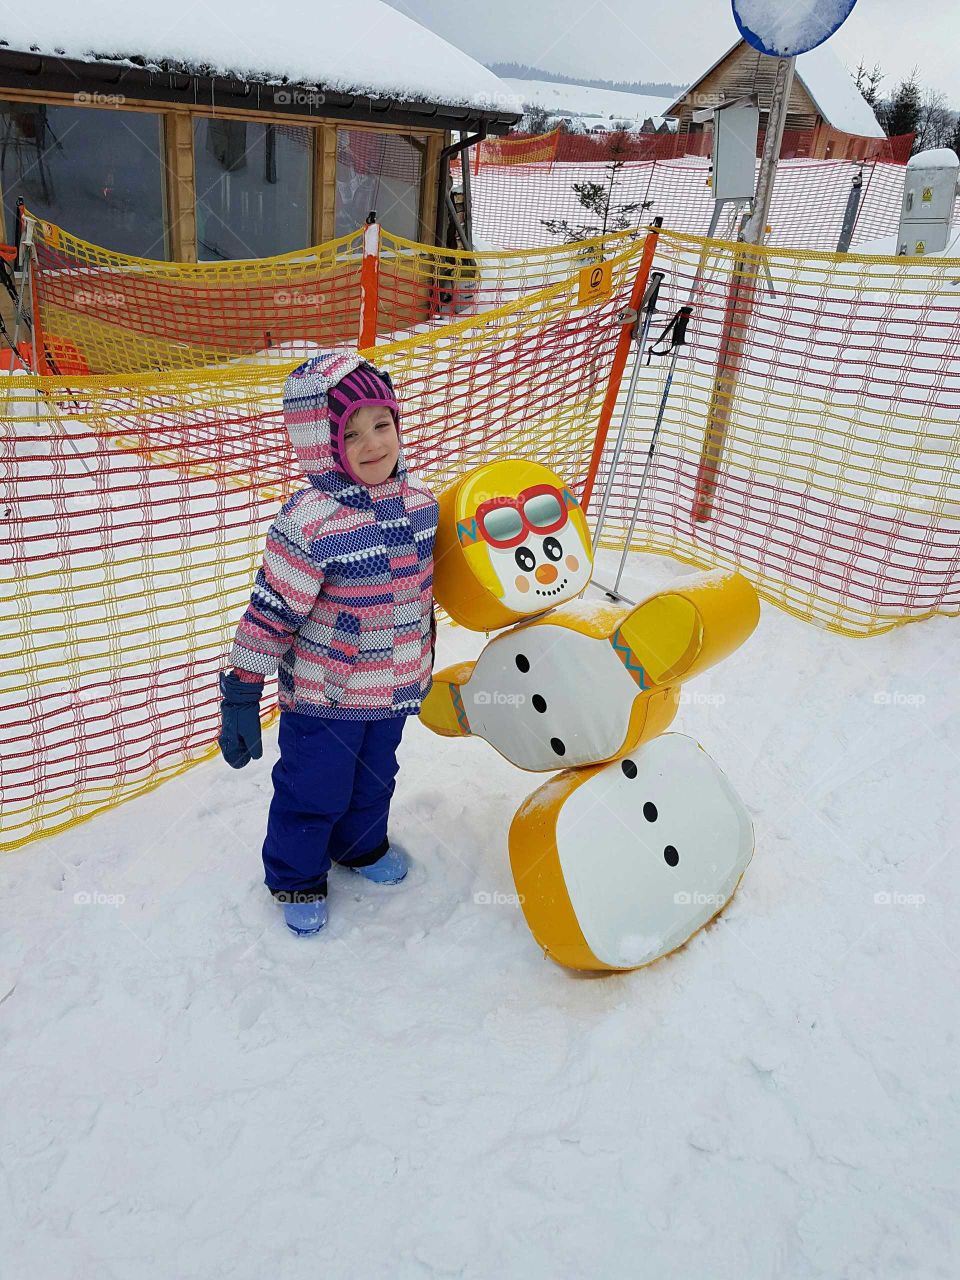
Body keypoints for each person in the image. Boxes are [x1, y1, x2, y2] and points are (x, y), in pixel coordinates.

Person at [218, 350, 438, 936]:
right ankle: (296, 876)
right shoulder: (310, 523)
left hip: (393, 687)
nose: (374, 444)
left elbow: (441, 580)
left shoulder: (422, 506)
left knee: (375, 779)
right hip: (326, 695)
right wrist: (243, 688)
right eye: (352, 433)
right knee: (313, 788)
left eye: (382, 424)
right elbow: (272, 610)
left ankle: (359, 847)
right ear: (322, 445)